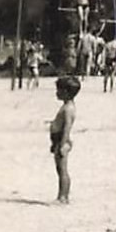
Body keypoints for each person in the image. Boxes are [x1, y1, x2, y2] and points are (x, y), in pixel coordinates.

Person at [48, 75, 81, 204]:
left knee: (62, 170)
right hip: (58, 140)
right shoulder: (67, 106)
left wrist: (62, 144)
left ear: (66, 92)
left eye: (59, 90)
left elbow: (66, 127)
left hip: (62, 140)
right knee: (59, 169)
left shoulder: (68, 109)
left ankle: (63, 196)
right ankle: (62, 195)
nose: (56, 93)